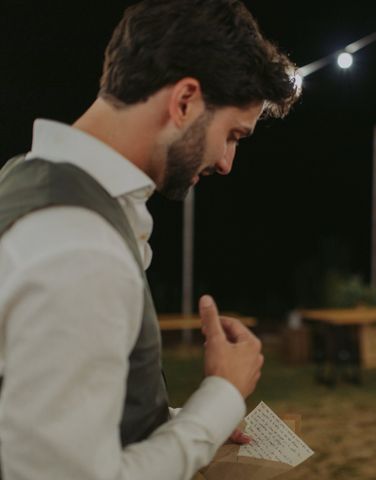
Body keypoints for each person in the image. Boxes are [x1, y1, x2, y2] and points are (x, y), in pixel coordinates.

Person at [0, 0, 299, 478]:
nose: (226, 162)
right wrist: (221, 396)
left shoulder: (28, 183)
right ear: (184, 101)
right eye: (233, 135)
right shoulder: (81, 246)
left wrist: (190, 421)